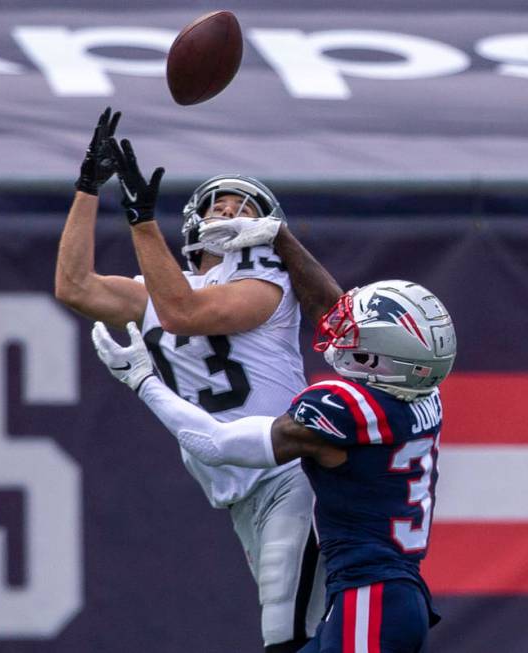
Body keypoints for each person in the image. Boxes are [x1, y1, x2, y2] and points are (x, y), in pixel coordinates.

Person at [56, 107, 334, 652]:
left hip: (287, 473)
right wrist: (88, 187)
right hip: (237, 488)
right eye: (217, 204)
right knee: (315, 628)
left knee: (288, 636)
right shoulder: (162, 289)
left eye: (243, 207)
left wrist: (140, 221)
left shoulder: (265, 281)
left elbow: (184, 313)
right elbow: (75, 288)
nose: (227, 211)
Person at [92, 278, 457, 653]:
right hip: (388, 596)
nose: (344, 333)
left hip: (369, 599)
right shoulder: (424, 394)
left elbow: (216, 444)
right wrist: (278, 231)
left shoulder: (344, 410)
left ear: (378, 356)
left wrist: (144, 380)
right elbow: (335, 315)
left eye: (356, 333)